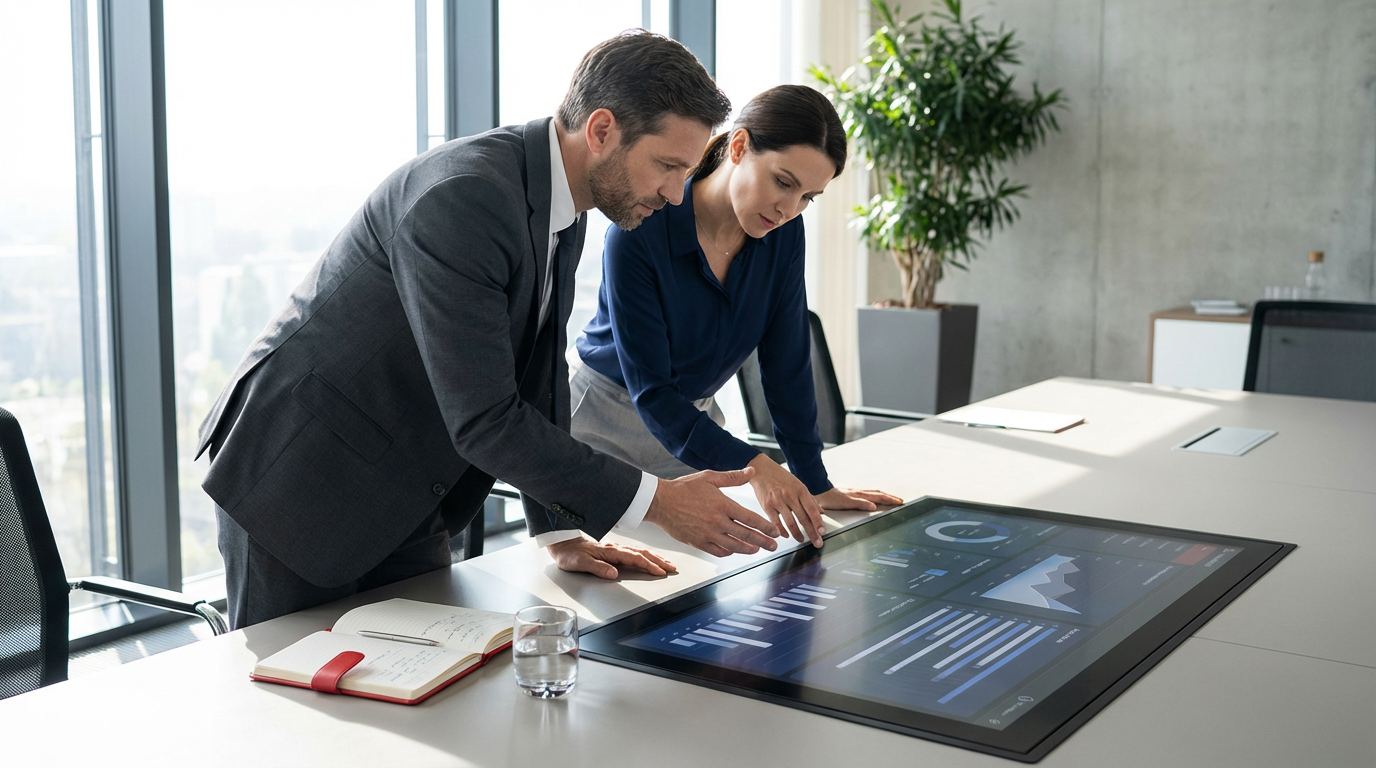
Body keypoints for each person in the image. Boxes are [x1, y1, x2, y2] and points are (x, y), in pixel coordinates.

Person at [196, 32, 789, 630]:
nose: (676, 192)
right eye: (668, 165)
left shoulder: (567, 204)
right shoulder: (468, 196)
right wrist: (658, 502)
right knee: (299, 701)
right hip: (302, 479)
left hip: (406, 487)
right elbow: (486, 417)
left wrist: (560, 529)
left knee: (421, 677)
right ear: (603, 130)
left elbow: (537, 375)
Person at [570, 85, 902, 552]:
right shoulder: (642, 230)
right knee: (608, 603)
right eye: (783, 182)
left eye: (809, 196)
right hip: (603, 432)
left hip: (695, 438)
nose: (789, 209)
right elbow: (654, 394)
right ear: (739, 146)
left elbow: (787, 366)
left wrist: (814, 482)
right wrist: (756, 465)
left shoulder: (784, 235)